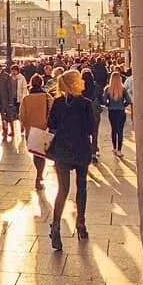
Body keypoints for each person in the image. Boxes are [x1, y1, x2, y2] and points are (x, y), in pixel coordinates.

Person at [46, 69, 98, 251]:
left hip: (61, 152)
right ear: (74, 83)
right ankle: (81, 224)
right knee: (81, 187)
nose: (83, 82)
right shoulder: (86, 104)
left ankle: (56, 225)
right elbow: (92, 128)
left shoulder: (58, 103)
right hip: (81, 151)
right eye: (80, 80)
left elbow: (51, 125)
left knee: (63, 189)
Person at [20, 73, 53, 191]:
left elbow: (22, 116)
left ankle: (38, 175)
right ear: (42, 83)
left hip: (30, 129)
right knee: (41, 155)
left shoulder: (26, 98)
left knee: (35, 154)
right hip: (43, 128)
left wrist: (23, 127)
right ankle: (39, 175)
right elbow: (53, 113)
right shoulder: (47, 97)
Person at [102, 70, 131, 157]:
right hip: (121, 111)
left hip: (112, 111)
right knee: (120, 130)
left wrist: (108, 104)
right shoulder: (123, 89)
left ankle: (114, 148)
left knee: (114, 129)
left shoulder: (108, 89)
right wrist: (123, 105)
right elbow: (129, 100)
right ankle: (119, 150)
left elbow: (104, 100)